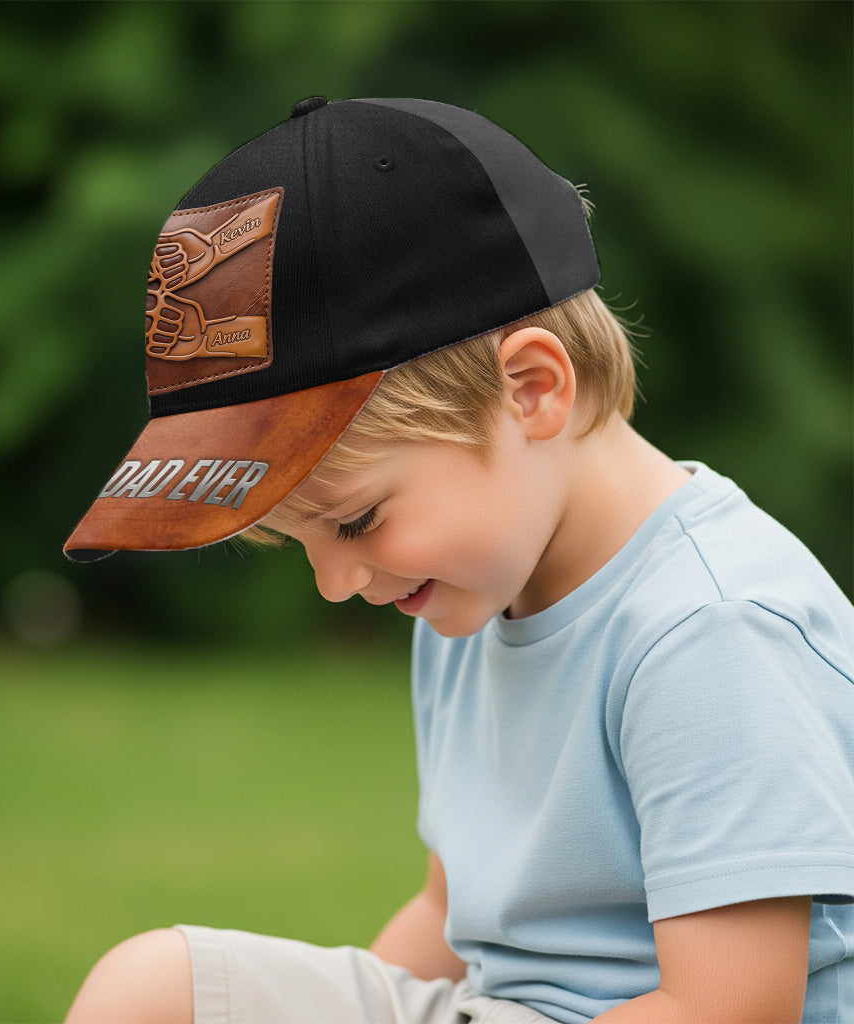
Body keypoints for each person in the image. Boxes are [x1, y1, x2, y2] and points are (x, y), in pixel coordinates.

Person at [62, 97, 854, 1023]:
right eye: (300, 541)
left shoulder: (710, 629)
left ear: (531, 390)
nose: (336, 585)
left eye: (356, 521)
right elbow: (450, 915)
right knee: (153, 990)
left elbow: (730, 1008)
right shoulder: (465, 596)